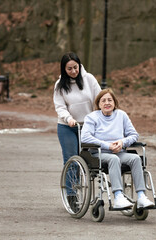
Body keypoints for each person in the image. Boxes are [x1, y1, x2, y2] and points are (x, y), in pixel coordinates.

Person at [81, 88, 155, 209]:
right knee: (113, 159)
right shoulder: (92, 117)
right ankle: (118, 196)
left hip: (119, 151)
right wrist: (107, 145)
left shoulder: (121, 115)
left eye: (110, 100)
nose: (107, 103)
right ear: (98, 104)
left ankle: (141, 196)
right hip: (99, 154)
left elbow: (134, 135)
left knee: (136, 158)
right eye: (103, 100)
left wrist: (122, 142)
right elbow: (85, 137)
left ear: (114, 102)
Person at [54, 52, 101, 209]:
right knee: (72, 159)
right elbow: (60, 107)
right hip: (68, 126)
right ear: (64, 69)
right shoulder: (60, 84)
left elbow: (99, 99)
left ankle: (93, 193)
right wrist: (69, 119)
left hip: (88, 126)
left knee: (92, 159)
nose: (73, 71)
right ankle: (72, 194)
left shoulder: (89, 79)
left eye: (75, 67)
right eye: (69, 69)